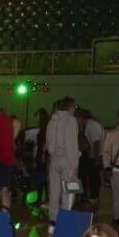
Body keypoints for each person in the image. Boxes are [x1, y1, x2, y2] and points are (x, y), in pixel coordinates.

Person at [46, 96, 81, 225]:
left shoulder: (52, 120)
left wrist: (52, 155)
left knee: (54, 190)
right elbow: (71, 144)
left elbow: (48, 142)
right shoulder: (70, 120)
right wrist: (75, 166)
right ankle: (66, 218)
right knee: (69, 191)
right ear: (70, 107)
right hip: (67, 159)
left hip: (54, 158)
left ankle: (53, 219)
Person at [81, 109, 106, 206]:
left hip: (95, 155)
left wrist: (96, 159)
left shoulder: (91, 125)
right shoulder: (91, 124)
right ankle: (92, 195)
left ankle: (94, 196)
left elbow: (96, 142)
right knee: (92, 176)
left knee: (93, 177)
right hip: (94, 155)